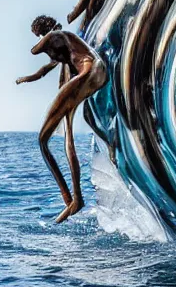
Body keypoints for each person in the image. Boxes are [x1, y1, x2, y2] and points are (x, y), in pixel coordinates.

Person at [16, 15, 108, 222]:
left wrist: (45, 35)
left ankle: (73, 199)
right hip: (94, 73)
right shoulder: (65, 48)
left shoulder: (59, 35)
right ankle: (74, 200)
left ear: (43, 31)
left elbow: (34, 50)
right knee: (68, 138)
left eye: (38, 34)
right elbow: (43, 70)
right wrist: (26, 79)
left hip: (89, 72)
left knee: (42, 140)